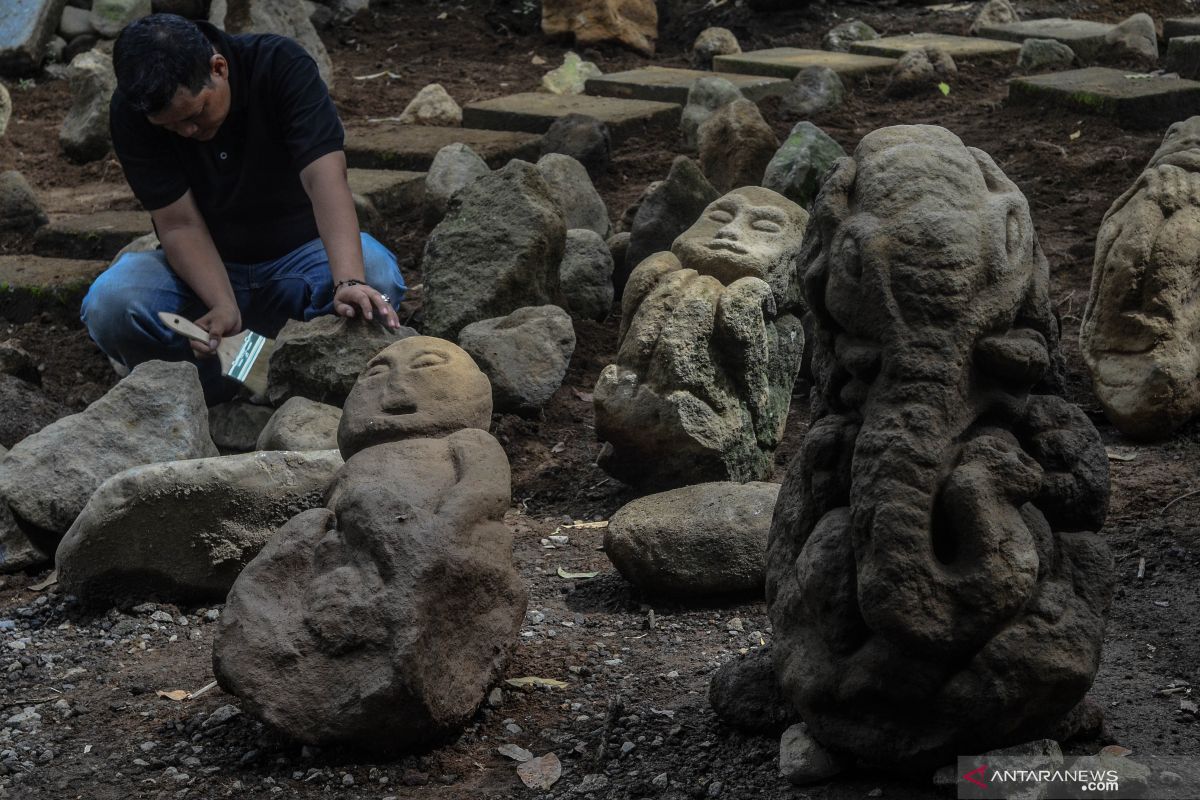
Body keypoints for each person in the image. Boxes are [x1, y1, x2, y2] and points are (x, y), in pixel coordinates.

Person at [81, 13, 406, 403]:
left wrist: (349, 281)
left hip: (301, 263)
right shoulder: (132, 111)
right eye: (170, 127)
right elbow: (179, 223)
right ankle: (207, 395)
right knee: (112, 302)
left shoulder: (279, 65)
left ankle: (305, 384)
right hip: (205, 276)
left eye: (195, 114)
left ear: (219, 68)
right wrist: (222, 303)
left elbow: (325, 178)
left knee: (377, 277)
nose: (187, 132)